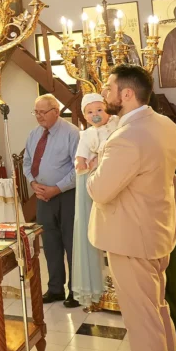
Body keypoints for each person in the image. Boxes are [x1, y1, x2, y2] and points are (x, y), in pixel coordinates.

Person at [87, 65, 176, 351]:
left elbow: (100, 190)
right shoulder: (165, 124)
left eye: (109, 88)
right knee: (158, 314)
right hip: (158, 233)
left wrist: (95, 165)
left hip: (131, 241)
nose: (104, 93)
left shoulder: (127, 137)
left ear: (126, 94)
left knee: (143, 328)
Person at [24, 93, 80, 307]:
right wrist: (32, 183)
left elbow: (79, 169)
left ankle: (75, 291)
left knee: (71, 242)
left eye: (42, 112)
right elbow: (27, 162)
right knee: (50, 243)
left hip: (66, 195)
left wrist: (56, 189)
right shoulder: (34, 134)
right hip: (42, 197)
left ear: (56, 112)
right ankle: (55, 288)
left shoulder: (72, 134)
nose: (38, 116)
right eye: (35, 112)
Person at [71, 93, 119, 312]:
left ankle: (120, 286)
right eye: (90, 112)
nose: (96, 115)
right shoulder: (87, 134)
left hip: (116, 179)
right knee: (95, 231)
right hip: (94, 182)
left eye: (99, 110)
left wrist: (99, 158)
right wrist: (83, 161)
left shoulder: (118, 125)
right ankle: (98, 287)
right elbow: (81, 158)